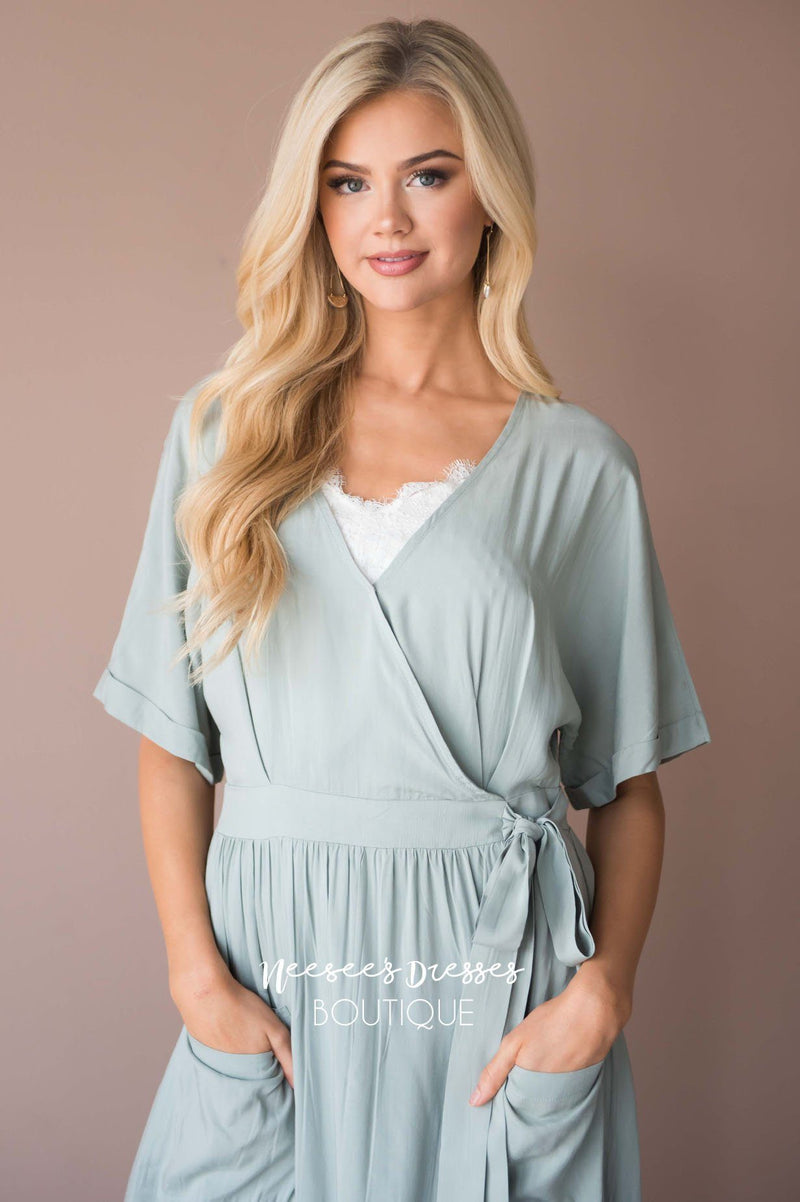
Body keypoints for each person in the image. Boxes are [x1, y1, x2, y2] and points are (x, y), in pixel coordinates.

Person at [92, 17, 711, 1202]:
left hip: (491, 990)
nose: (386, 218)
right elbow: (171, 739)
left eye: (426, 175)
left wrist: (601, 989)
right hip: (278, 983)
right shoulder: (224, 437)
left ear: (490, 196)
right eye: (347, 182)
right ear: (314, 207)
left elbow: (626, 787)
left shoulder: (579, 468)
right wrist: (194, 977)